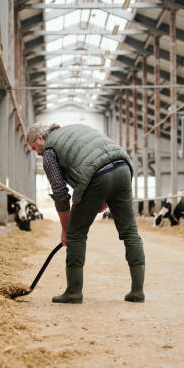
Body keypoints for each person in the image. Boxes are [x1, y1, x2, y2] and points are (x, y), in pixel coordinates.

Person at [26, 123, 145, 304]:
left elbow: (60, 192)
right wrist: (101, 195)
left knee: (76, 234)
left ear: (40, 138)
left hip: (97, 174)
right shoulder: (77, 129)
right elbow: (95, 159)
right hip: (122, 167)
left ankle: (73, 292)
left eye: (35, 148)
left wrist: (65, 229)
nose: (37, 153)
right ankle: (137, 292)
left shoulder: (50, 151)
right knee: (130, 232)